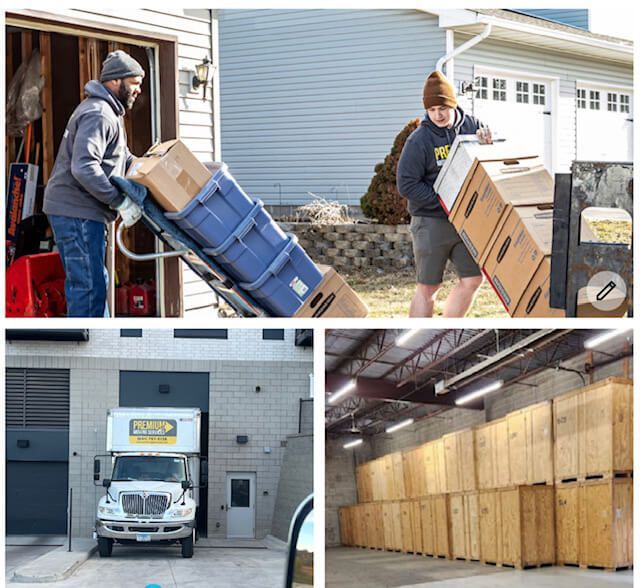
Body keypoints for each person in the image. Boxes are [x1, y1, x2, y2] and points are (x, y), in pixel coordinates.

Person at [43, 50, 145, 317]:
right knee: (88, 288)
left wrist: (150, 167)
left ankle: (101, 342)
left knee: (95, 284)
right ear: (114, 81)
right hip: (77, 212)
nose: (138, 90)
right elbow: (84, 166)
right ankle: (87, 351)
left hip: (84, 213)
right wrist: (118, 199)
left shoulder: (110, 113)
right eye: (134, 83)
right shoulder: (99, 113)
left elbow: (121, 157)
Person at [397, 70, 493, 318]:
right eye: (432, 110)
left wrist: (489, 144)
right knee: (429, 287)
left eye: (442, 108)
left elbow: (490, 161)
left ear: (453, 104)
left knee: (473, 279)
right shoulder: (419, 140)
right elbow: (407, 184)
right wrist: (443, 201)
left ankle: (449, 324)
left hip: (465, 221)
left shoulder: (473, 126)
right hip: (431, 221)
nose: (438, 115)